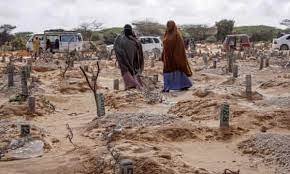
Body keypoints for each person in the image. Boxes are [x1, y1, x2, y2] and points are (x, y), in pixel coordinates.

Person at [161, 21, 193, 92]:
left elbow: (180, 47)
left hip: (175, 57)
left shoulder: (177, 35)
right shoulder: (166, 33)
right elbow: (164, 46)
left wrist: (177, 57)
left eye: (170, 25)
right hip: (167, 58)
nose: (168, 27)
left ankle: (184, 85)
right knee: (167, 71)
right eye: (167, 25)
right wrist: (163, 55)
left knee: (177, 70)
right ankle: (167, 87)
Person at [114, 24, 144, 90]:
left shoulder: (120, 38)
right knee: (132, 68)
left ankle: (131, 84)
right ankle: (134, 84)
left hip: (127, 59)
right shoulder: (134, 39)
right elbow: (140, 51)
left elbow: (116, 47)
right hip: (133, 59)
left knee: (128, 68)